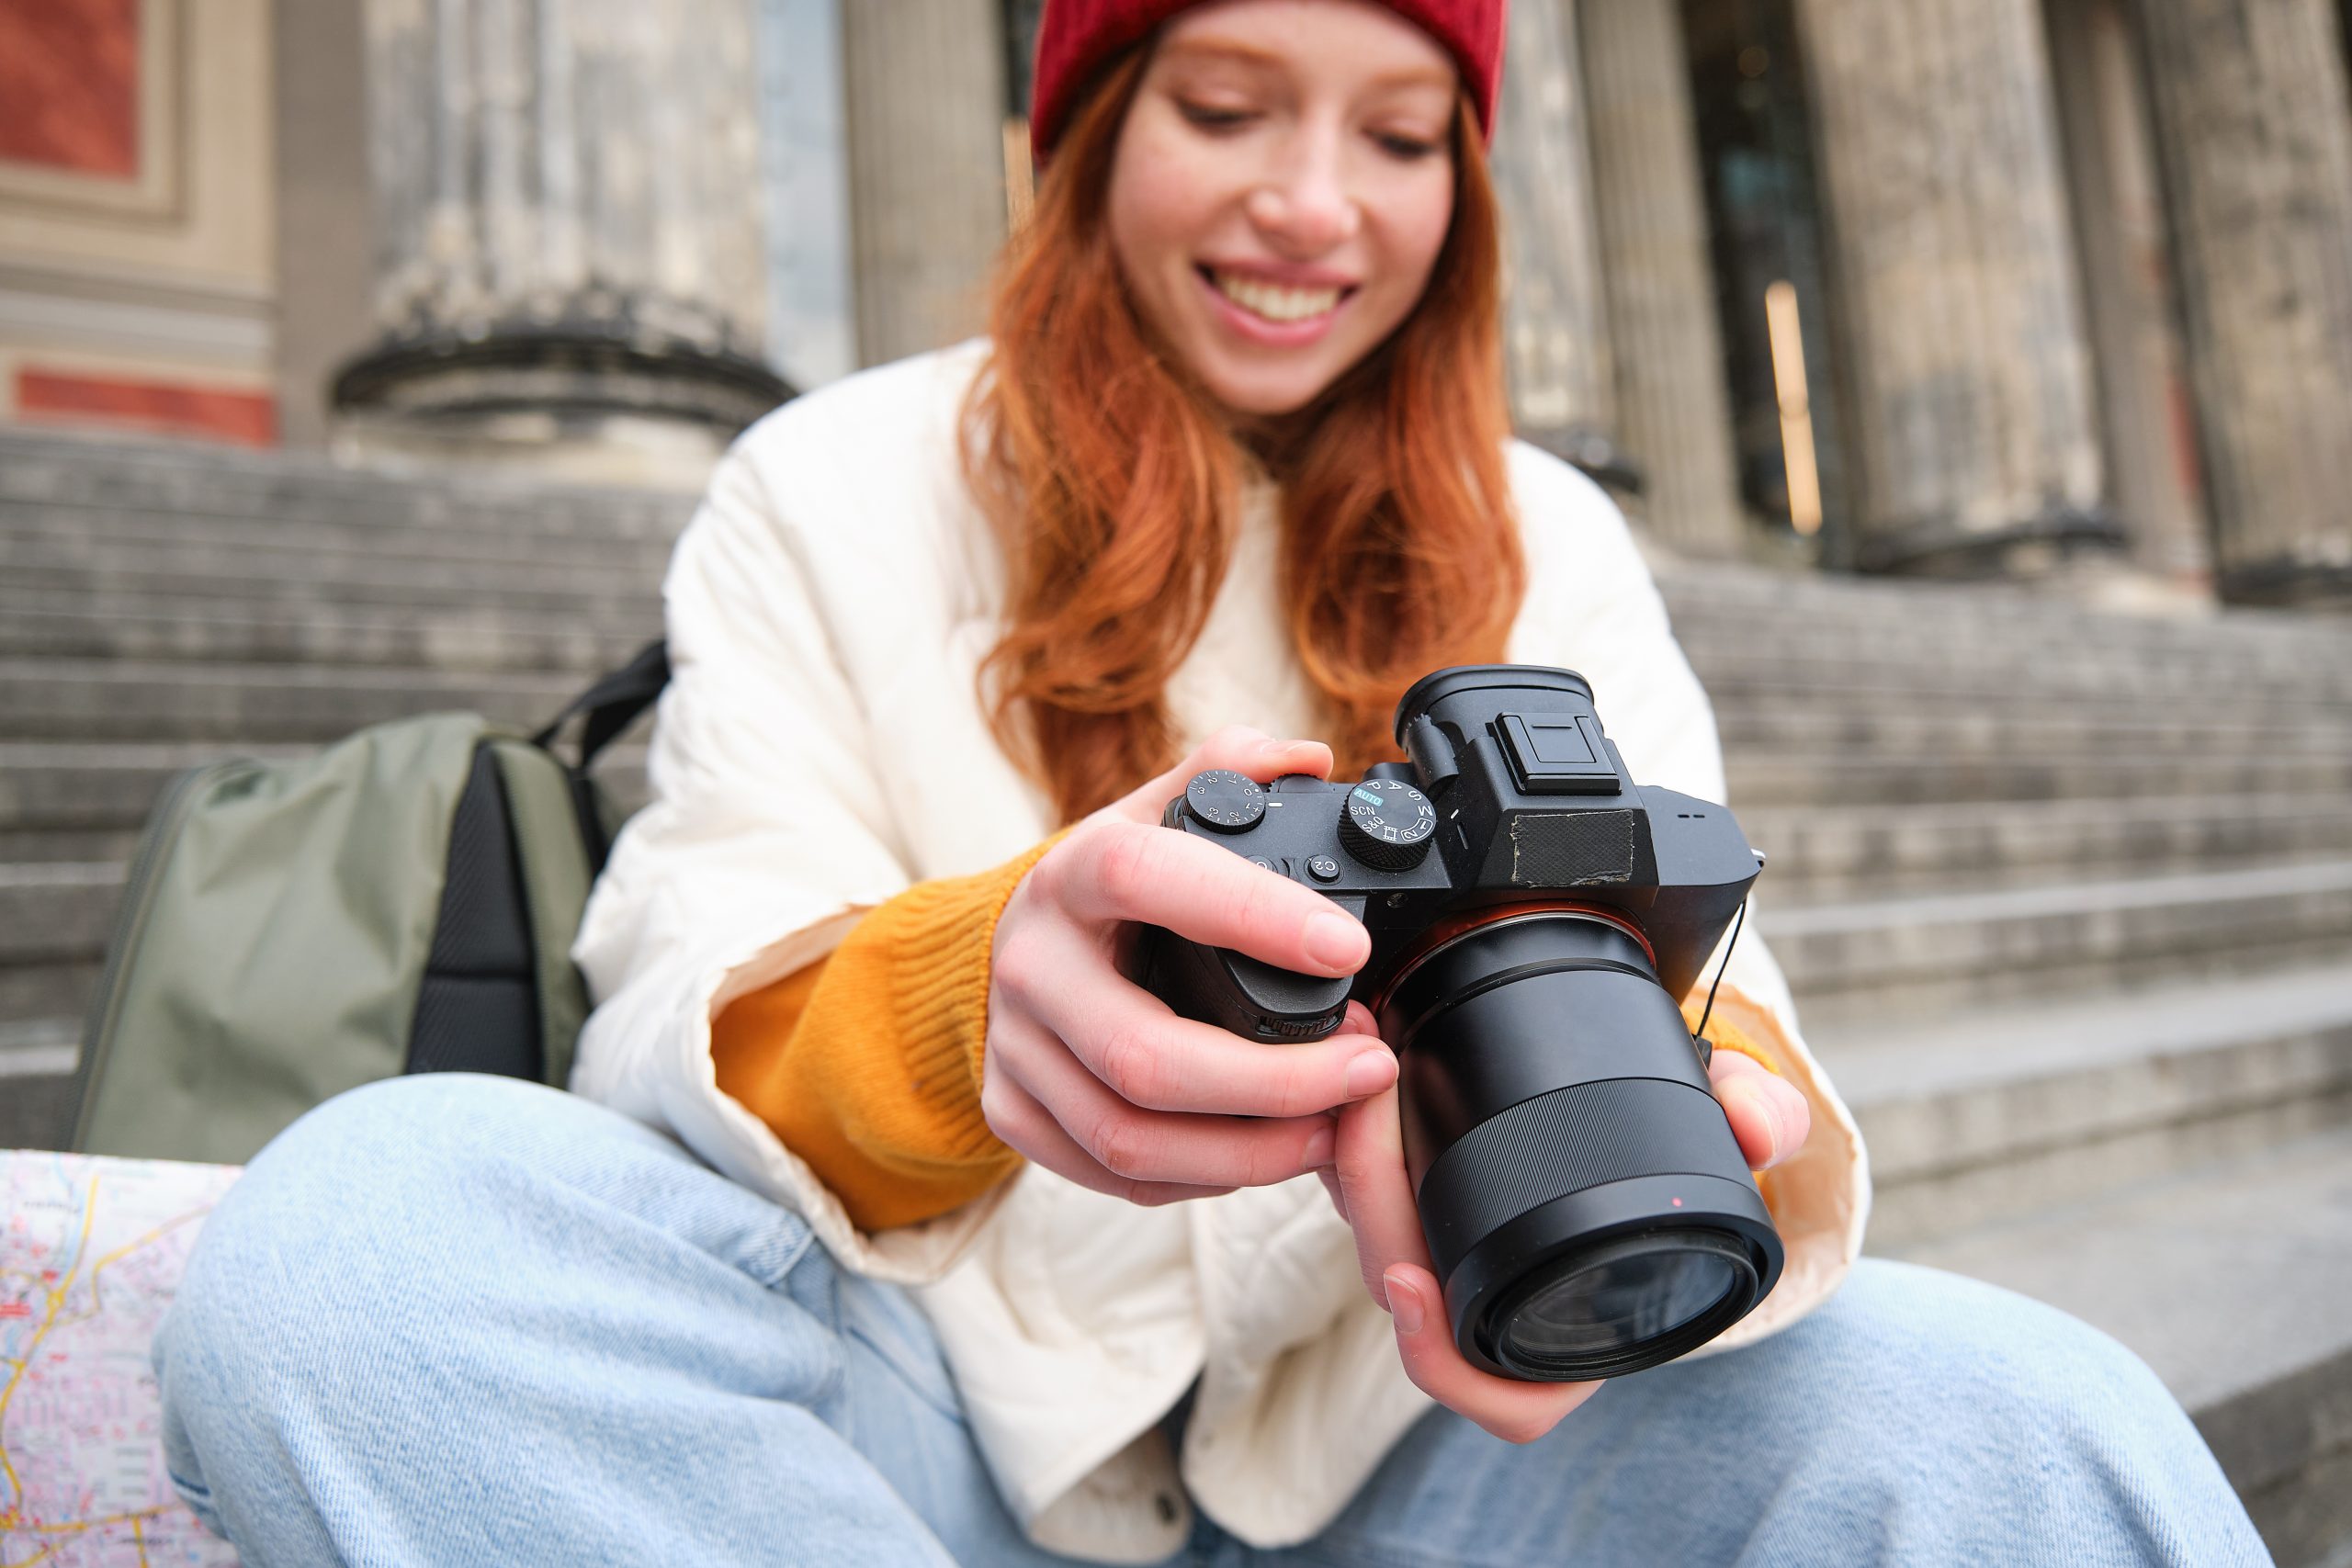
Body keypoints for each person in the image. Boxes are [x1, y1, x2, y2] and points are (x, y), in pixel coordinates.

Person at [154, 1, 2270, 1562]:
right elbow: (675, 998)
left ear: (1467, 185)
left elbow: (1728, 997)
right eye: (1225, 105)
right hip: (914, 1431)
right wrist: (981, 993)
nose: (1310, 204)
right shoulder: (828, 480)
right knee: (363, 1239)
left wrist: (1679, 1148)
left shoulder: (1548, 535)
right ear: (1084, 130)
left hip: (1422, 1436)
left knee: (2013, 1410)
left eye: (1401, 134)